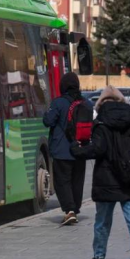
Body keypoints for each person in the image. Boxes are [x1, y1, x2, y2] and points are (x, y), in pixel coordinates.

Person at [70, 86, 130, 259]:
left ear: (100, 105)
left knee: (102, 222)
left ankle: (98, 258)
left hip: (107, 180)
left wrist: (77, 150)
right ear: (122, 101)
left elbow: (97, 149)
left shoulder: (100, 123)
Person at [43, 72, 92, 225]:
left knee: (62, 181)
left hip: (61, 150)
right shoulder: (86, 103)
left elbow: (48, 121)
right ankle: (75, 209)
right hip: (80, 149)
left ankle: (69, 210)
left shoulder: (58, 103)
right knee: (77, 181)